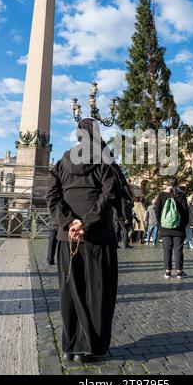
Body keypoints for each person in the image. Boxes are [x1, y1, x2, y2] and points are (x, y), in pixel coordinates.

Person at [46, 117, 121, 363]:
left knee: (71, 290)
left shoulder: (61, 163)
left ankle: (70, 346)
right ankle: (91, 346)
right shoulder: (104, 161)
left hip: (67, 238)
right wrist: (85, 223)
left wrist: (68, 223)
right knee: (98, 291)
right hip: (98, 237)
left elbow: (52, 197)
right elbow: (109, 196)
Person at [155, 179, 189, 279]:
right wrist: (183, 224)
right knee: (178, 250)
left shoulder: (162, 195)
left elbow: (157, 211)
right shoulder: (181, 195)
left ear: (167, 184)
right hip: (179, 228)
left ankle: (167, 272)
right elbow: (185, 211)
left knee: (167, 250)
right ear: (177, 184)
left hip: (165, 228)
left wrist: (161, 223)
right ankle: (179, 272)